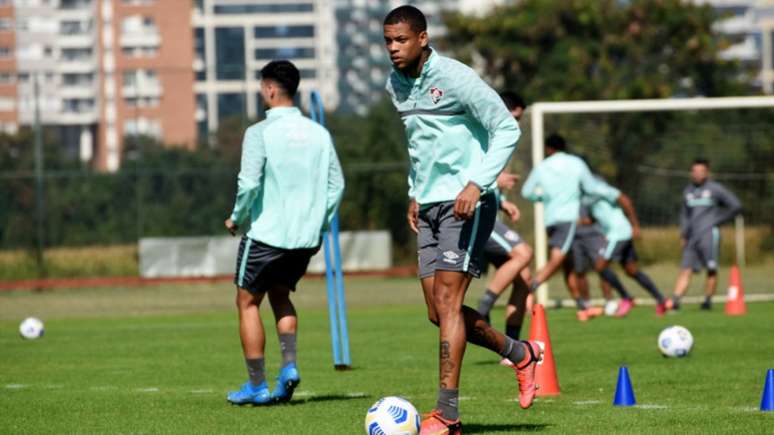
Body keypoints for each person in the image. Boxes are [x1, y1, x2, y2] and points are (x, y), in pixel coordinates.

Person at [383, 6, 542, 433]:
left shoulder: (455, 77)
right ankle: (520, 352)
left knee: (450, 303)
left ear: (422, 38)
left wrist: (476, 184)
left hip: (465, 204)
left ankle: (447, 415)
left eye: (401, 40)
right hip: (429, 206)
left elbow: (506, 129)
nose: (394, 49)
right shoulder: (395, 84)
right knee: (438, 312)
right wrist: (414, 191)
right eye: (388, 41)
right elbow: (419, 145)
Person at [224, 60, 345, 405]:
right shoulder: (319, 133)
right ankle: (288, 367)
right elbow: (337, 185)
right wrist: (319, 222)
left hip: (266, 235)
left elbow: (248, 183)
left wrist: (236, 217)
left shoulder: (260, 132)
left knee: (247, 302)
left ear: (270, 89)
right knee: (281, 296)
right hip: (305, 239)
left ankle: (257, 384)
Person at [520, 134, 633, 300]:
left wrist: (543, 198)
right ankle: (529, 288)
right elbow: (591, 187)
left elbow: (526, 192)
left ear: (548, 149)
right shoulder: (576, 163)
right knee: (557, 260)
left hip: (550, 220)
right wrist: (609, 191)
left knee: (568, 263)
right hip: (567, 219)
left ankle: (582, 305)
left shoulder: (542, 166)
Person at [476, 92, 533, 343]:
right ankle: (482, 309)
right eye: (515, 117)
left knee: (524, 279)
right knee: (523, 253)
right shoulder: (485, 132)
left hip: (491, 207)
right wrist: (496, 181)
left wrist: (503, 202)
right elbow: (471, 169)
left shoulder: (504, 137)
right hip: (477, 214)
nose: (517, 123)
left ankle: (512, 347)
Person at [584, 176, 669, 315]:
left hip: (618, 232)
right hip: (620, 233)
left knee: (600, 265)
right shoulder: (585, 197)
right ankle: (661, 300)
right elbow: (596, 216)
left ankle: (626, 297)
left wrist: (635, 225)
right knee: (632, 270)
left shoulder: (601, 189)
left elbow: (625, 200)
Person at [666, 158, 741, 311]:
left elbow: (736, 206)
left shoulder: (715, 189)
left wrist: (718, 220)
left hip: (709, 234)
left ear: (707, 172)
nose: (697, 174)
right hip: (692, 236)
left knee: (711, 268)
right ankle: (675, 301)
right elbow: (685, 215)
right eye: (694, 171)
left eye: (701, 171)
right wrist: (684, 234)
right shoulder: (688, 191)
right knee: (685, 268)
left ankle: (707, 301)